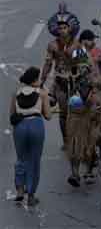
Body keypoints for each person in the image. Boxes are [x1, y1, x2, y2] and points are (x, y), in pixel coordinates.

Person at [11, 67, 51, 207]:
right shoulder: (42, 94)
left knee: (21, 158)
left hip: (20, 127)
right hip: (36, 126)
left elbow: (12, 114)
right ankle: (31, 195)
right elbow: (48, 116)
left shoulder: (16, 93)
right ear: (34, 80)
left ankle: (20, 190)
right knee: (34, 160)